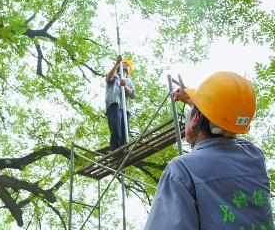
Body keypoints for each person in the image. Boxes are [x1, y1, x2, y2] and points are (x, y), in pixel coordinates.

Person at [144, 72, 273, 230]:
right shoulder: (254, 157)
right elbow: (227, 123)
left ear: (196, 120)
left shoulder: (181, 171)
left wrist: (198, 108)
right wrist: (198, 105)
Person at [105, 55, 136, 151]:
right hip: (114, 104)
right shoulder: (114, 75)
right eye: (124, 63)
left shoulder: (129, 82)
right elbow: (109, 78)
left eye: (128, 65)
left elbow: (132, 94)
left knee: (125, 129)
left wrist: (125, 86)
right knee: (116, 125)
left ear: (129, 70)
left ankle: (124, 148)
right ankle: (116, 149)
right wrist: (117, 63)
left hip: (125, 108)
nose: (126, 65)